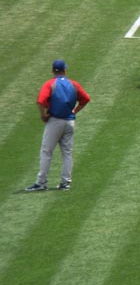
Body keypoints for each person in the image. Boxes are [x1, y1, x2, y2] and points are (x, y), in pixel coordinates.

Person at [26, 60, 91, 192]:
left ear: (52, 71)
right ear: (65, 70)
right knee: (67, 153)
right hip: (69, 122)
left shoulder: (50, 84)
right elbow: (86, 99)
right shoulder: (74, 84)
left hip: (55, 122)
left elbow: (40, 101)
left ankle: (41, 183)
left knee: (46, 152)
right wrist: (75, 111)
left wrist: (42, 115)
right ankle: (65, 183)